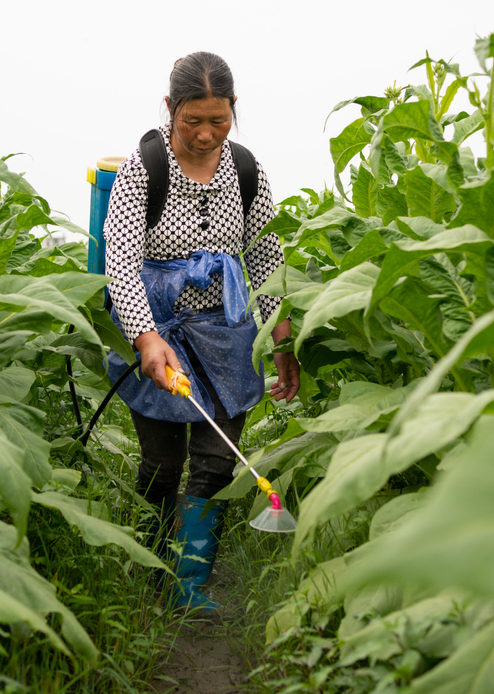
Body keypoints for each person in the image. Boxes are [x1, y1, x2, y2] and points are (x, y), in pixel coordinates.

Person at [102, 51, 300, 612]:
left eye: (219, 119)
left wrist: (280, 339)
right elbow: (121, 259)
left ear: (234, 109)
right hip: (158, 330)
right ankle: (150, 575)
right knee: (163, 465)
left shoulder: (245, 170)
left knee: (215, 463)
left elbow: (265, 259)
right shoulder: (146, 166)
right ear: (170, 109)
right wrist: (145, 338)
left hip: (226, 334)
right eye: (193, 121)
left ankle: (189, 587)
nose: (207, 133)